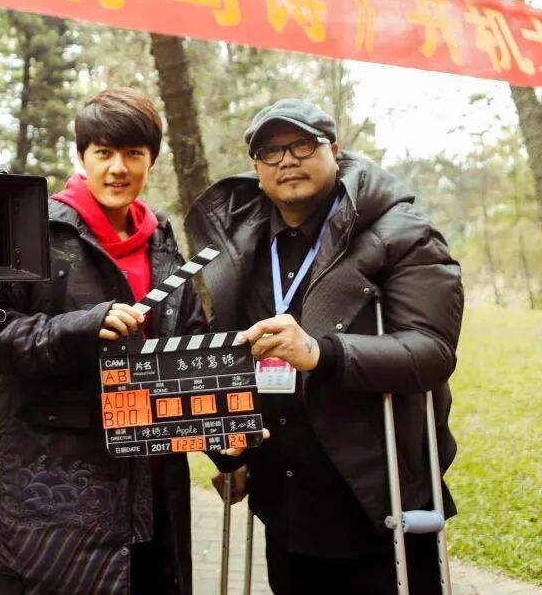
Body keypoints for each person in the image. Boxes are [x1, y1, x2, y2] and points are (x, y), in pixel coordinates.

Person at [184, 98, 463, 595]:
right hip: (284, 503)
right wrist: (228, 448)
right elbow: (225, 355)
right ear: (256, 168)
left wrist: (322, 353)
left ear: (334, 151)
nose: (287, 160)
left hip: (376, 502)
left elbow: (432, 350)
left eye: (302, 145)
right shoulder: (241, 247)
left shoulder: (402, 233)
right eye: (270, 151)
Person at [0, 87, 205, 595]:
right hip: (57, 498)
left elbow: (188, 340)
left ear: (151, 160)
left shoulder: (163, 240)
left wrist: (228, 424)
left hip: (155, 490)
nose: (118, 168)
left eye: (133, 153)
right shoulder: (32, 231)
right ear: (81, 156)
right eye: (104, 152)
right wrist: (79, 329)